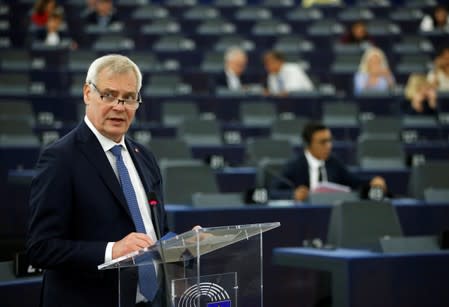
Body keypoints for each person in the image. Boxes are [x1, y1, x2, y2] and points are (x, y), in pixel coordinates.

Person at [26, 54, 195, 307]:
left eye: (129, 98)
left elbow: (153, 233)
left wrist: (183, 245)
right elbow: (41, 248)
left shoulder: (144, 156)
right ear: (87, 93)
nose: (119, 106)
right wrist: (111, 251)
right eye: (108, 95)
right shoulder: (60, 158)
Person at [271, 121, 388, 202]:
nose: (328, 146)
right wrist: (292, 195)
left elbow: (354, 182)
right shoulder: (295, 166)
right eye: (323, 142)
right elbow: (274, 191)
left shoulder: (334, 163)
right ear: (307, 145)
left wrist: (372, 181)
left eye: (330, 141)